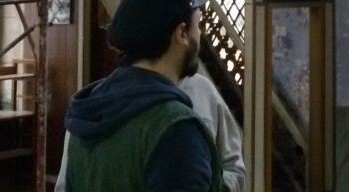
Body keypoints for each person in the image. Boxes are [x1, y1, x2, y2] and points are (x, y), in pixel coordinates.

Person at [61, 0, 221, 191]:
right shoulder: (175, 128)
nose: (199, 34)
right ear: (182, 33)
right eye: (198, 25)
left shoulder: (87, 113)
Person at [55, 72, 246, 192]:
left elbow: (234, 167)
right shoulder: (95, 105)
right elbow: (65, 184)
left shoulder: (202, 92)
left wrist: (206, 182)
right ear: (181, 35)